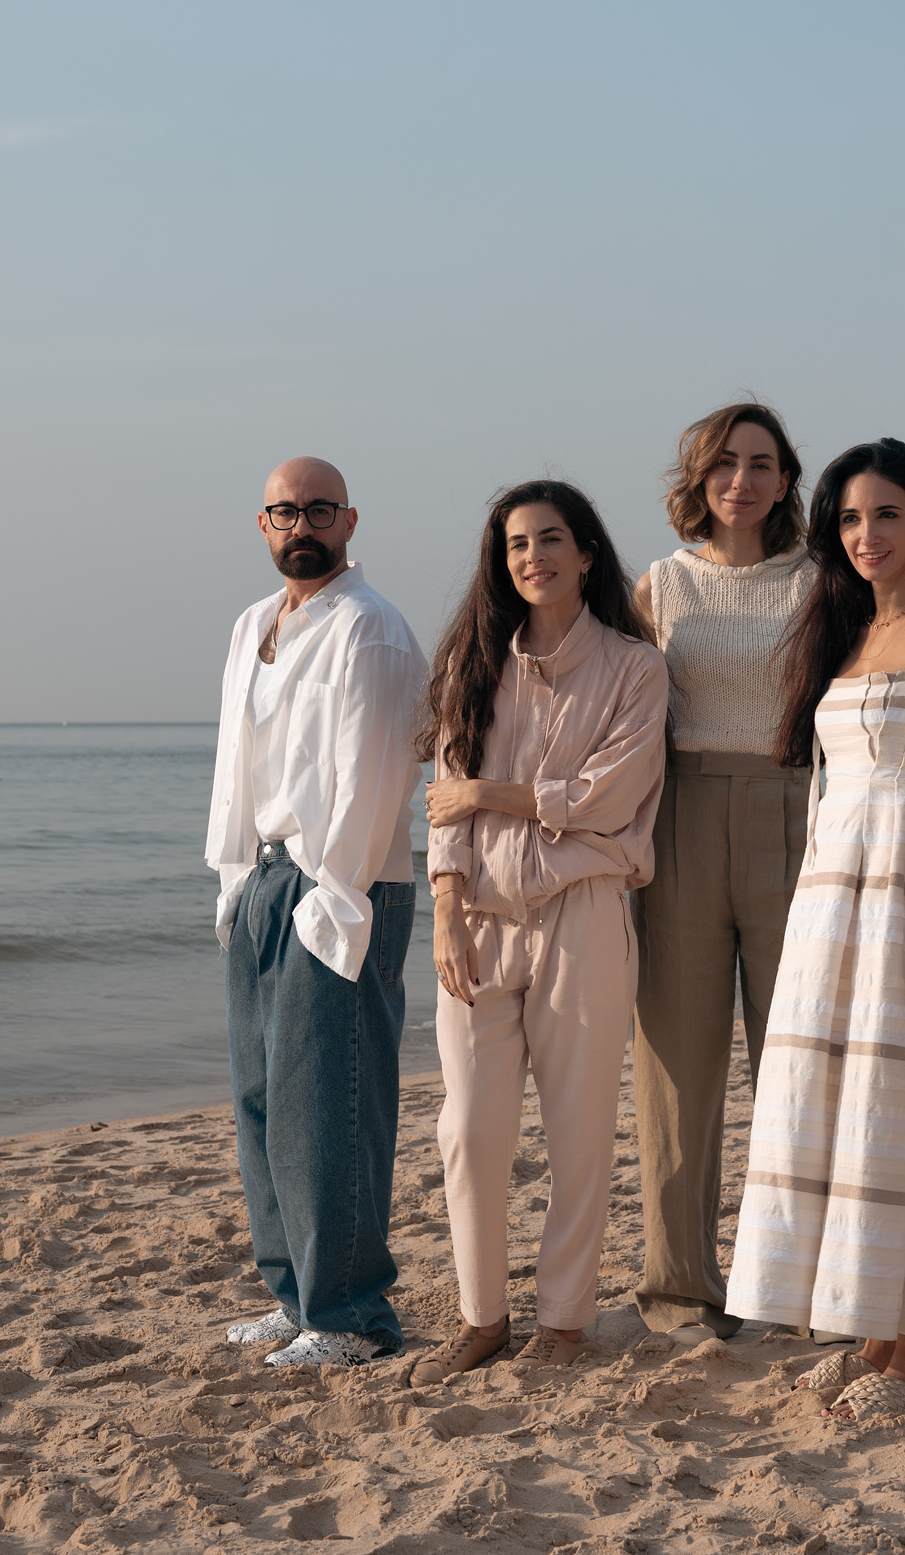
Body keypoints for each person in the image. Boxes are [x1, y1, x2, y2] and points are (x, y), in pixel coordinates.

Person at [724, 438, 905, 1418]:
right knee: (852, 1110)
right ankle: (874, 1335)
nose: (865, 535)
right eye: (848, 520)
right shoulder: (843, 638)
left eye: (883, 514)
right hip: (835, 906)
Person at [414, 479, 668, 1384]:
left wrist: (490, 794)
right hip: (476, 925)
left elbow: (611, 795)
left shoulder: (636, 670)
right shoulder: (468, 666)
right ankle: (481, 1319)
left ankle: (563, 1320)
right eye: (516, 545)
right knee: (469, 1131)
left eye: (550, 539)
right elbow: (439, 812)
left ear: (587, 554)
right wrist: (444, 910)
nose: (533, 557)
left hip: (583, 919)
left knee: (578, 1131)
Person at [206, 456, 427, 1368]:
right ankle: (296, 1297)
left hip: (341, 885)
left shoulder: (368, 630)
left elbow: (376, 777)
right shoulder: (255, 624)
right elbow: (237, 761)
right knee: (262, 1101)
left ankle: (351, 1317)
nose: (303, 525)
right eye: (285, 512)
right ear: (262, 524)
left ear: (350, 521)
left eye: (320, 510)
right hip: (263, 880)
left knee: (328, 1105)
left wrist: (333, 902)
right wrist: (232, 883)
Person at [632, 401, 815, 1342]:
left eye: (761, 463)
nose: (741, 480)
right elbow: (610, 706)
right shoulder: (659, 585)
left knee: (796, 1065)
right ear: (698, 479)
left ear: (786, 480)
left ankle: (805, 1285)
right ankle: (680, 1291)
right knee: (678, 1067)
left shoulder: (824, 583)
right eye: (724, 464)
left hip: (801, 816)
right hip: (681, 821)